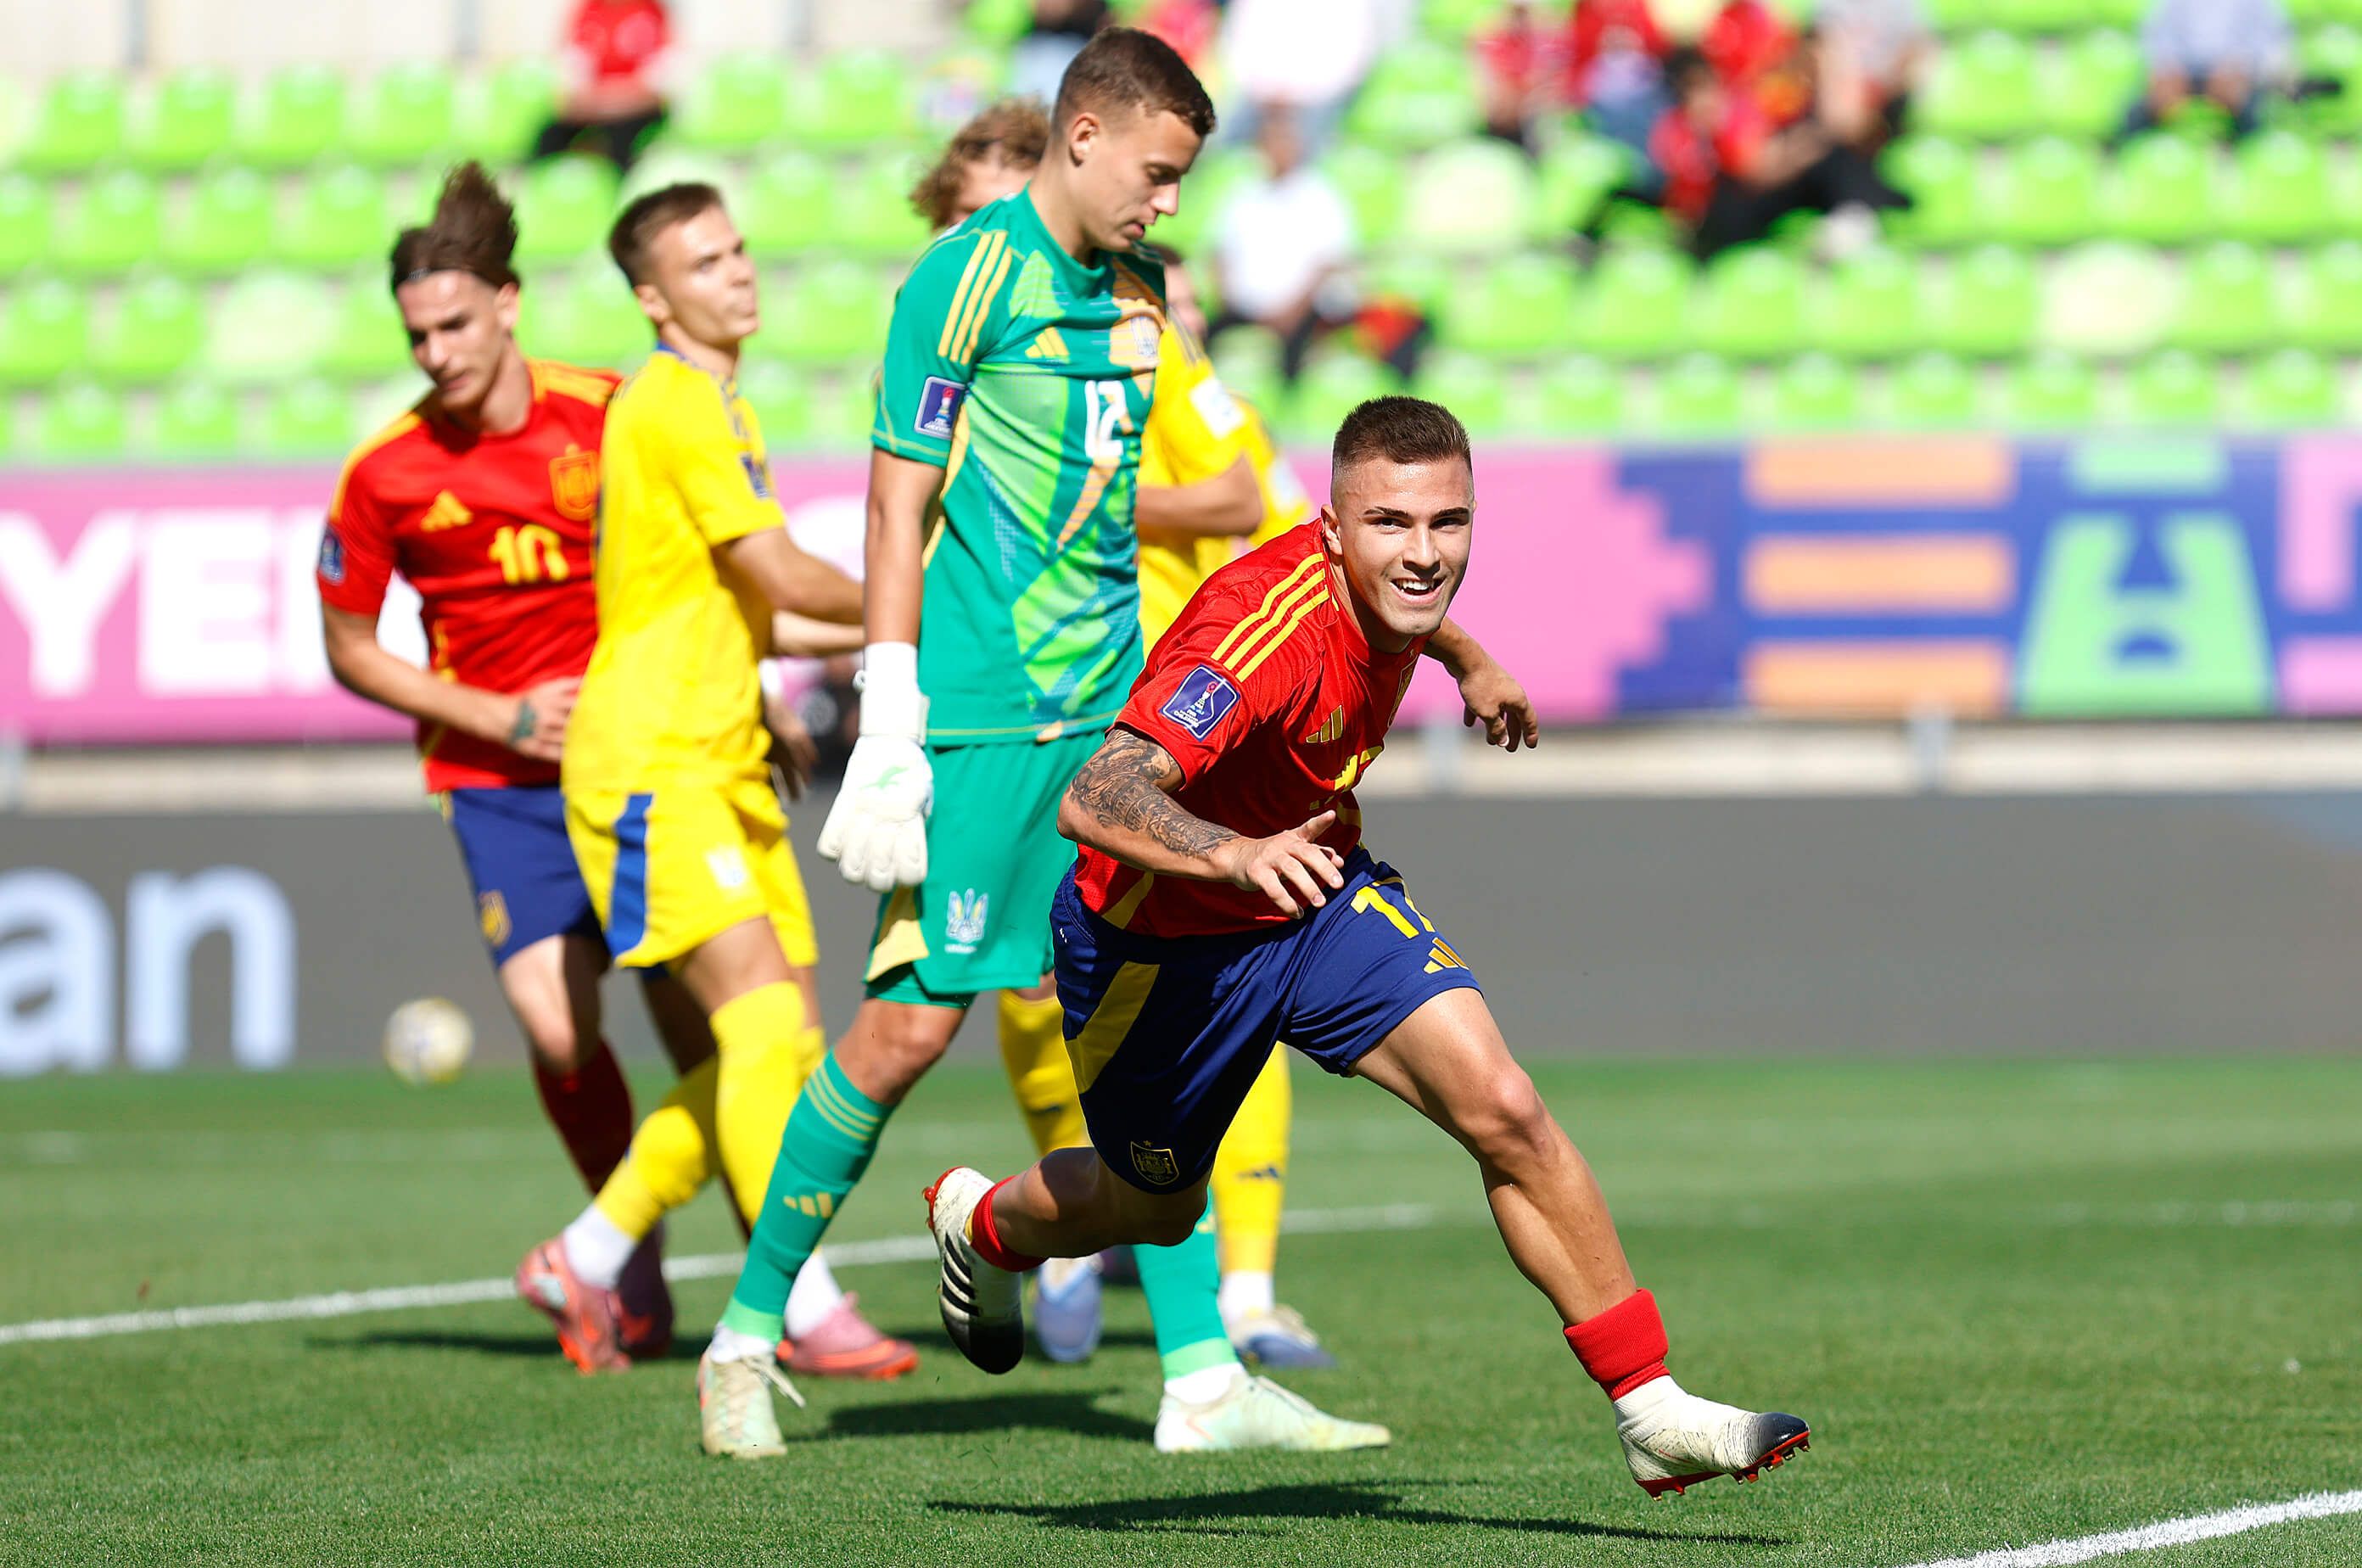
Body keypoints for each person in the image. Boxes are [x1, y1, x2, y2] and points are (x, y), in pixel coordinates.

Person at [693, 29, 1384, 1462]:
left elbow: (1172, 494)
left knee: (1157, 1031)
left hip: (1111, 725)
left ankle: (1200, 1376)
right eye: (1157, 173)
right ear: (1085, 137)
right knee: (902, 1032)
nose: (1169, 204)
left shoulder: (1140, 296)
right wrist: (889, 715)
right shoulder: (961, 279)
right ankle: (744, 1340)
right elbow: (896, 505)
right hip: (976, 725)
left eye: (1183, 180)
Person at [925, 396, 1812, 1497]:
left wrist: (1471, 660)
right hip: (1158, 952)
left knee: (1505, 1107)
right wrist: (1231, 854)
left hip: (1312, 900)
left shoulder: (1397, 588)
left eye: (1449, 522)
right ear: (1333, 529)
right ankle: (984, 1227)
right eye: (1391, 524)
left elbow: (1411, 609)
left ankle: (1650, 1407)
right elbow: (1097, 792)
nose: (1424, 553)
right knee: (1151, 1208)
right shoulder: (1258, 635)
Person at [909, 99, 1334, 1369]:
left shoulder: (1157, 365)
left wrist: (1079, 498)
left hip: (1178, 728)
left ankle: (1234, 1301)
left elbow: (1257, 509)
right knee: (1040, 990)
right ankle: (1066, 1244)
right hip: (1043, 715)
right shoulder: (977, 371)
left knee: (1235, 984)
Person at [512, 183, 916, 1386]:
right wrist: (924, 597)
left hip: (721, 758)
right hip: (653, 762)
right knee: (761, 1028)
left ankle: (588, 1254)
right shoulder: (678, 401)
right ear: (653, 297)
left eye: (737, 249)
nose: (736, 272)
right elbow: (780, 573)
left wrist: (891, 630)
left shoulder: (719, 404)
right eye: (704, 262)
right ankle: (800, 1302)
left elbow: (760, 610)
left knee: (783, 1047)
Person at [319, 161, 701, 1364]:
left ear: (508, 303)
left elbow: (702, 559)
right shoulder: (385, 472)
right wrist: (496, 715)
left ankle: (787, 1286)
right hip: (498, 787)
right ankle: (626, 1261)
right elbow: (348, 647)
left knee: (706, 1030)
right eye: (416, 335)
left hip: (644, 765)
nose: (435, 353)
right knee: (556, 1031)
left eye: (453, 325)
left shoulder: (610, 412)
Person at [1207, 104, 1357, 384]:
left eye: (1285, 140)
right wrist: (1228, 300)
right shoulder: (1243, 195)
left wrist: (1291, 312)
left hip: (1302, 312)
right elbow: (1220, 255)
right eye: (1271, 141)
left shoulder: (1320, 196)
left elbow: (1329, 264)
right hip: (1243, 310)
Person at [2122, 0, 2292, 143]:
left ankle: (2248, 163)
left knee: (2255, 113)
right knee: (2140, 112)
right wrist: (2168, 68)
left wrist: (2240, 67)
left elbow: (2270, 39)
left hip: (2237, 74)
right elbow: (2157, 37)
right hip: (2183, 73)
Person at [531, 0, 672, 172]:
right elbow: (571, 81)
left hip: (633, 111)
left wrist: (612, 102)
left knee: (623, 144)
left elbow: (656, 87)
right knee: (550, 137)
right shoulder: (587, 11)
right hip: (593, 108)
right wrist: (593, 103)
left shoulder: (651, 11)